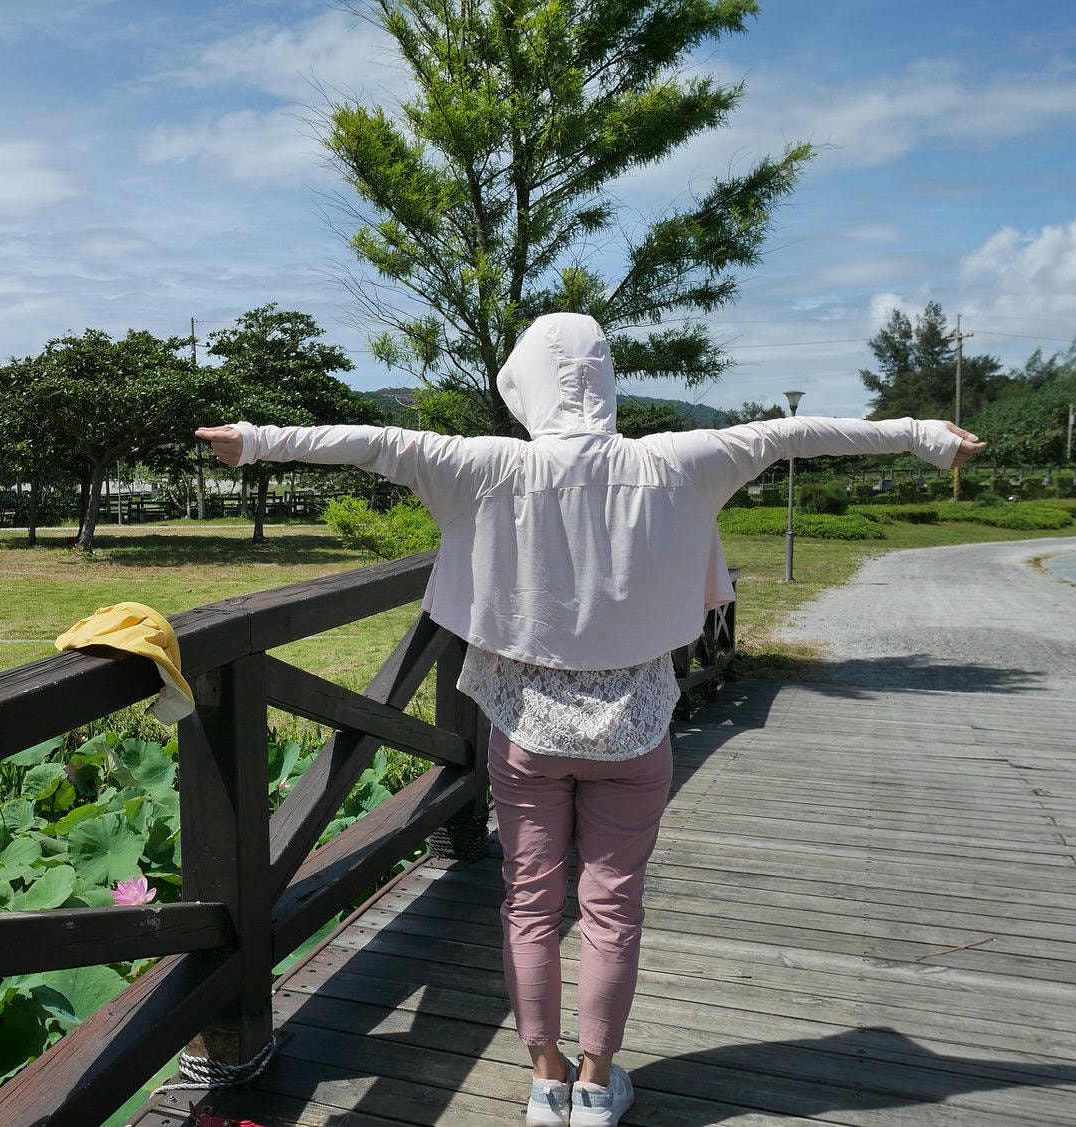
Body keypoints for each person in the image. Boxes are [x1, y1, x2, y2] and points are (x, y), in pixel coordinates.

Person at [197, 312, 984, 1127]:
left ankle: (546, 1078)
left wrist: (254, 439)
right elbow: (795, 433)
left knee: (528, 902)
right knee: (615, 905)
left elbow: (374, 441)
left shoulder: (485, 465)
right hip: (636, 726)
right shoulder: (677, 461)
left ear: (527, 379)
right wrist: (924, 434)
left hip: (527, 724)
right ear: (605, 378)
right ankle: (599, 1080)